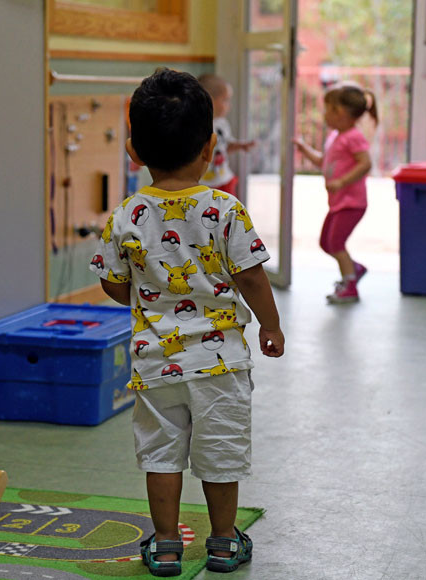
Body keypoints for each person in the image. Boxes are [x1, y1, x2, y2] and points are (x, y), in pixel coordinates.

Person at [90, 68, 285, 577]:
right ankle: (223, 542)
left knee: (161, 456)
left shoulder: (126, 215)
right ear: (210, 147)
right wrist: (270, 325)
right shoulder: (225, 209)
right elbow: (252, 278)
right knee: (220, 454)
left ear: (134, 151)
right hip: (220, 363)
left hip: (156, 364)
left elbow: (113, 285)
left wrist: (145, 291)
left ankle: (168, 545)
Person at [293, 83, 378, 303]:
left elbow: (366, 163)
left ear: (340, 113)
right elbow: (324, 161)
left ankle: (350, 285)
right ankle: (354, 269)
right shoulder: (336, 136)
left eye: (328, 109)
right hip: (338, 202)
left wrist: (342, 181)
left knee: (336, 243)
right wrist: (304, 149)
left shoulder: (353, 137)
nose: (324, 114)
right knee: (326, 242)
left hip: (352, 203)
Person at [197, 73, 255, 197]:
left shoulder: (222, 124)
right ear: (209, 100)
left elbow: (224, 147)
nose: (229, 105)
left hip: (224, 180)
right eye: (225, 100)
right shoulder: (197, 126)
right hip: (202, 183)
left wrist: (239, 146)